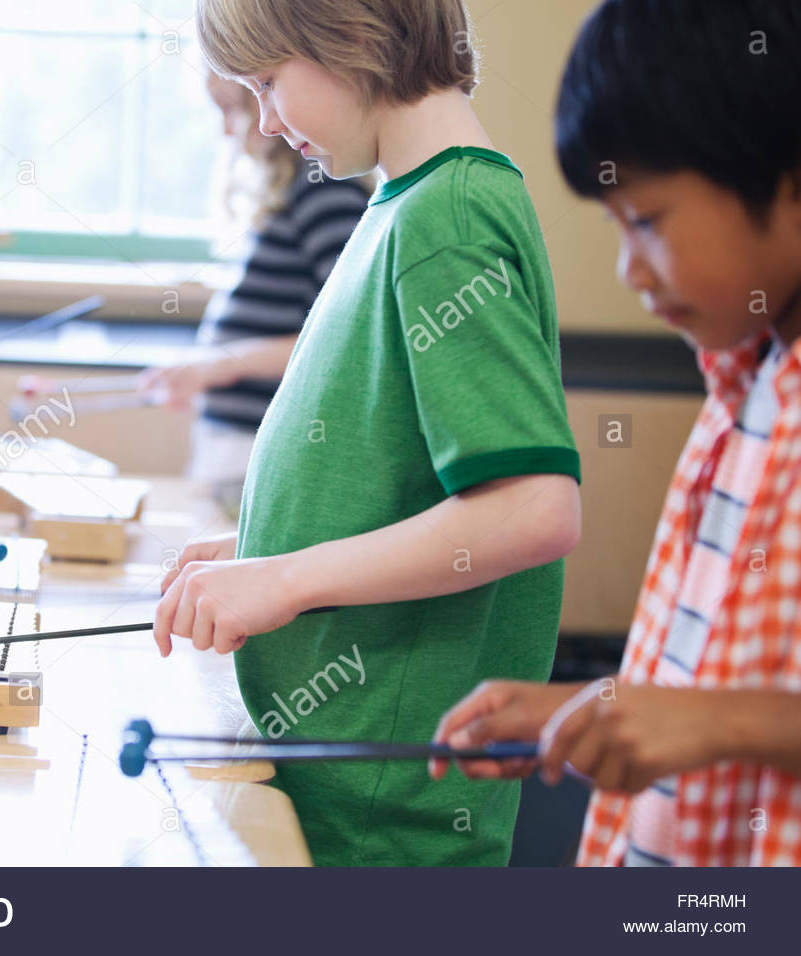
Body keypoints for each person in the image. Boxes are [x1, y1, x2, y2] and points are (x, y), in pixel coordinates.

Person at [153, 0, 582, 866]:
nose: (266, 120)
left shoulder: (447, 221)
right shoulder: (404, 204)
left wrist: (285, 576)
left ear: (344, 38)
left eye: (268, 83)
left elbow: (534, 511)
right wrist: (256, 545)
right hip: (339, 785)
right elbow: (394, 475)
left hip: (388, 823)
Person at [431, 0, 801, 867]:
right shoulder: (745, 389)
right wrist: (591, 702)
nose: (628, 270)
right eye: (614, 223)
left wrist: (717, 722)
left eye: (648, 221)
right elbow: (727, 674)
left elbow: (727, 713)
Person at [140, 71, 368, 487]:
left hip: (272, 446)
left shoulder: (324, 194)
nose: (228, 129)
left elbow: (349, 338)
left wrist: (218, 365)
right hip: (237, 442)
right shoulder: (285, 196)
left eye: (232, 110)